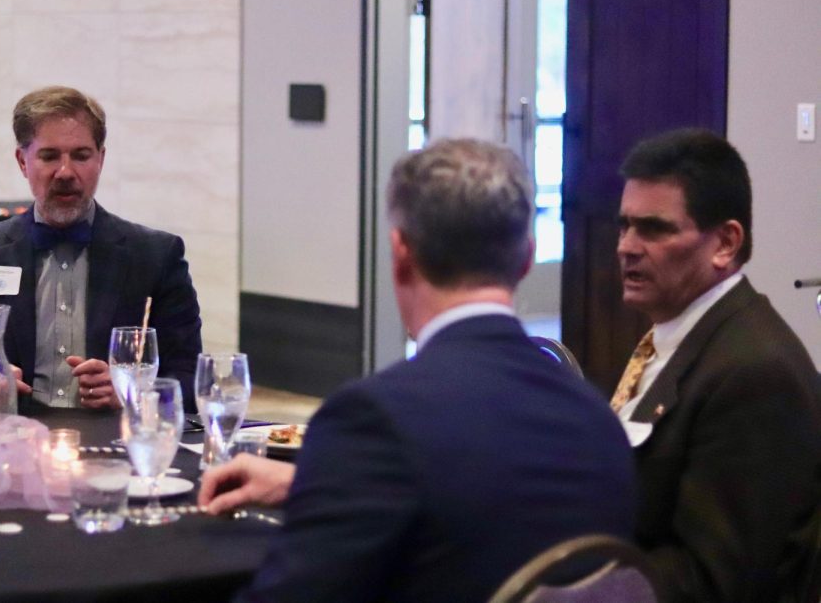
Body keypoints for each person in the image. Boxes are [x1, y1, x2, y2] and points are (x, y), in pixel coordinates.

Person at [199, 138, 636, 602]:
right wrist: (317, 484)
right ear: (526, 258)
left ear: (400, 254)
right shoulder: (599, 420)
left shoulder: (374, 419)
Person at [612, 127, 821, 602]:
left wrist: (584, 583)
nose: (626, 245)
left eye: (654, 228)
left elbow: (714, 582)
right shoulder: (677, 337)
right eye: (624, 225)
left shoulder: (754, 372)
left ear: (725, 243)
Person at [0, 86, 202, 413]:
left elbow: (192, 378)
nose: (66, 172)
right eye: (49, 155)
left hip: (117, 446)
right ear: (22, 161)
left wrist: (137, 393)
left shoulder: (157, 256)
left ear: (101, 158)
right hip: (8, 441)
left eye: (81, 156)